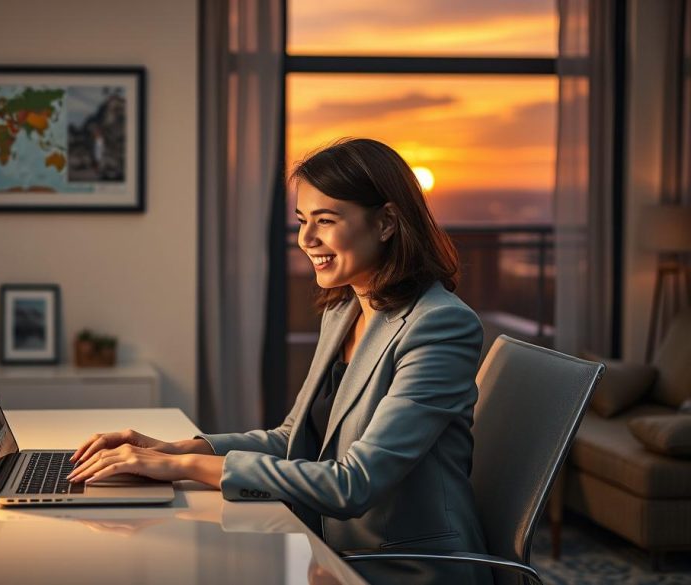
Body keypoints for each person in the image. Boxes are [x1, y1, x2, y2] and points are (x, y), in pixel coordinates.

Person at [67, 138, 493, 585]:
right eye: (302, 220)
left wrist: (183, 469)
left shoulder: (439, 325)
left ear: (386, 222)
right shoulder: (344, 310)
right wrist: (175, 449)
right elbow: (293, 438)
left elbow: (354, 483)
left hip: (404, 569)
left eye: (325, 221)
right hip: (331, 554)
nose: (306, 239)